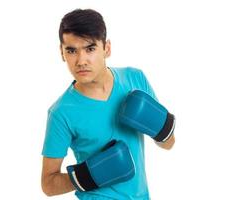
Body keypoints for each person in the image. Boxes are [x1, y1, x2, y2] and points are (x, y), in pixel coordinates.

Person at [41, 8, 175, 200]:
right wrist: (88, 176)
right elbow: (48, 184)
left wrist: (162, 128)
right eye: (71, 51)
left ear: (107, 48)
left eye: (90, 48)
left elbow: (168, 144)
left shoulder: (135, 79)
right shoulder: (60, 113)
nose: (81, 60)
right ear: (62, 53)